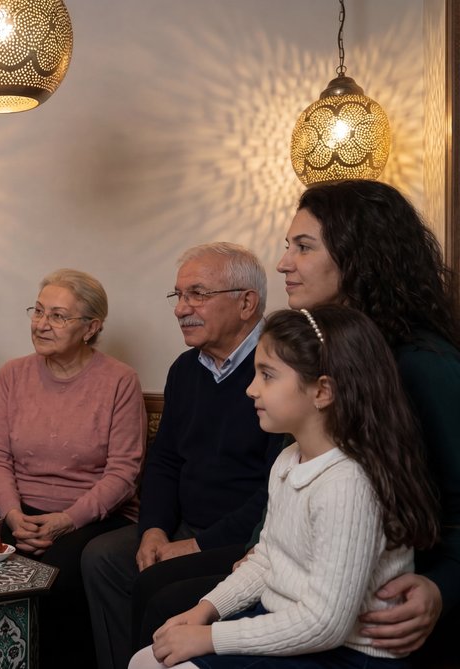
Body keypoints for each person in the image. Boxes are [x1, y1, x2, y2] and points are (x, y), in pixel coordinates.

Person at [135, 180, 460, 662]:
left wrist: (440, 588)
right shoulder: (311, 357)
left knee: (165, 599)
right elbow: (293, 476)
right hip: (299, 555)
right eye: (289, 246)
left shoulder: (424, 366)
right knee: (157, 589)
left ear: (360, 255)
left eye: (303, 247)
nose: (284, 262)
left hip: (380, 596)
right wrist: (256, 549)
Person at [129, 306, 439, 668]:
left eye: (267, 375)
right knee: (147, 660)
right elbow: (267, 559)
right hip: (287, 627)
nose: (250, 389)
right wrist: (206, 609)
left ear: (322, 391)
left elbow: (326, 624)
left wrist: (211, 638)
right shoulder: (289, 459)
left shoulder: (348, 483)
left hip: (344, 654)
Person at [82, 243, 284, 669]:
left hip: (244, 540)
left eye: (198, 294)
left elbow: (275, 491)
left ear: (246, 302)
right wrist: (154, 529)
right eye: (179, 295)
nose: (181, 308)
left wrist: (197, 544)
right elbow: (166, 460)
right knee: (102, 559)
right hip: (183, 525)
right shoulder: (184, 369)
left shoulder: (280, 369)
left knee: (157, 583)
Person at [0, 268, 147, 665]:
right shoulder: (12, 375)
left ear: (90, 328)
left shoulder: (120, 380)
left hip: (91, 518)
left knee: (55, 577)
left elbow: (124, 472)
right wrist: (13, 515)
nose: (41, 324)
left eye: (57, 316)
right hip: (20, 512)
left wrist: (65, 520)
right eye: (38, 312)